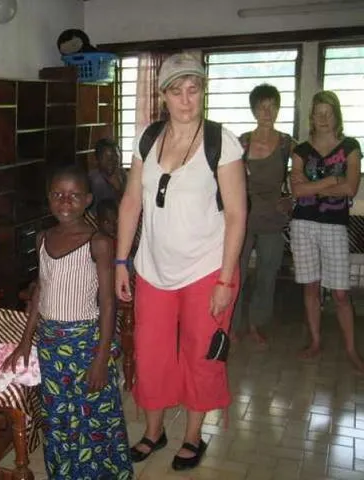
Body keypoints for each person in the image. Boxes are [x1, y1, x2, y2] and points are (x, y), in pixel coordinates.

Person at [115, 53, 247, 471]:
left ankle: (193, 436)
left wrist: (225, 280)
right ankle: (154, 432)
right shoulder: (147, 138)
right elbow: (131, 201)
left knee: (201, 355)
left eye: (194, 90)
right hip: (153, 268)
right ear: (163, 96)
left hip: (207, 269)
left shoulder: (221, 141)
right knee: (150, 354)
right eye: (177, 91)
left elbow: (236, 214)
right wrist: (121, 261)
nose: (186, 100)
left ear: (203, 92)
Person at [4, 164, 133, 480]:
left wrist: (101, 358)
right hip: (50, 344)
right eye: (58, 195)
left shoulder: (98, 242)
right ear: (49, 198)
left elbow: (108, 303)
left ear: (88, 200)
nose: (65, 202)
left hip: (87, 343)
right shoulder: (43, 239)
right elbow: (40, 291)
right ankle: (65, 472)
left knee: (94, 413)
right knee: (58, 414)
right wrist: (26, 341)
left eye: (74, 196)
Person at [289, 90, 363, 372]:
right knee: (310, 287)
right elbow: (297, 191)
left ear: (336, 116)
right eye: (318, 113)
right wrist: (332, 180)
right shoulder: (301, 150)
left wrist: (313, 187)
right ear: (311, 116)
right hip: (303, 224)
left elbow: (351, 188)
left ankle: (352, 350)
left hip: (335, 225)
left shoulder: (350, 147)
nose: (323, 118)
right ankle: (316, 341)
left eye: (328, 113)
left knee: (341, 293)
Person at [231, 84, 296, 345]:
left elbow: (308, 169)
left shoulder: (287, 143)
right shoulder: (242, 142)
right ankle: (231, 324)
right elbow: (226, 176)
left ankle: (255, 324)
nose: (267, 112)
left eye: (272, 107)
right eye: (261, 107)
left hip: (273, 219)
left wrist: (292, 199)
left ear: (278, 109)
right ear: (253, 110)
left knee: (267, 274)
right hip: (243, 219)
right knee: (236, 272)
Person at [88, 138, 126, 215]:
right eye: (105, 157)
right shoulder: (95, 181)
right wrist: (117, 188)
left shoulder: (122, 173)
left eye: (115, 156)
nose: (111, 160)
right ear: (97, 159)